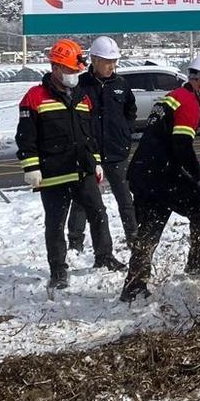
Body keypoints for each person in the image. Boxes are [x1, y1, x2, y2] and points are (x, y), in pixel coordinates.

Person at [16, 39, 124, 290]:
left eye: (76, 71)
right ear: (55, 68)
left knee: (98, 214)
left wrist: (95, 161)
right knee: (55, 224)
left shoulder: (82, 97)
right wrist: (31, 167)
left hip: (82, 171)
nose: (74, 75)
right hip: (53, 174)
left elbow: (89, 136)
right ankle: (58, 270)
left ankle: (104, 256)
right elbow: (26, 136)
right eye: (70, 71)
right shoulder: (35, 97)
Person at [120, 54, 200, 301]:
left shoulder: (171, 98)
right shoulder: (187, 103)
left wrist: (190, 168)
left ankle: (134, 286)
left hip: (143, 173)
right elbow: (181, 144)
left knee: (149, 230)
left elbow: (164, 142)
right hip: (161, 176)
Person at [68, 36, 137, 252]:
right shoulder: (81, 85)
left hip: (116, 152)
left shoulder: (121, 85)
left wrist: (125, 133)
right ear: (95, 60)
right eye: (107, 61)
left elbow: (130, 111)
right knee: (82, 200)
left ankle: (133, 237)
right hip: (89, 153)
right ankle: (75, 242)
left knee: (125, 199)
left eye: (114, 61)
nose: (112, 66)